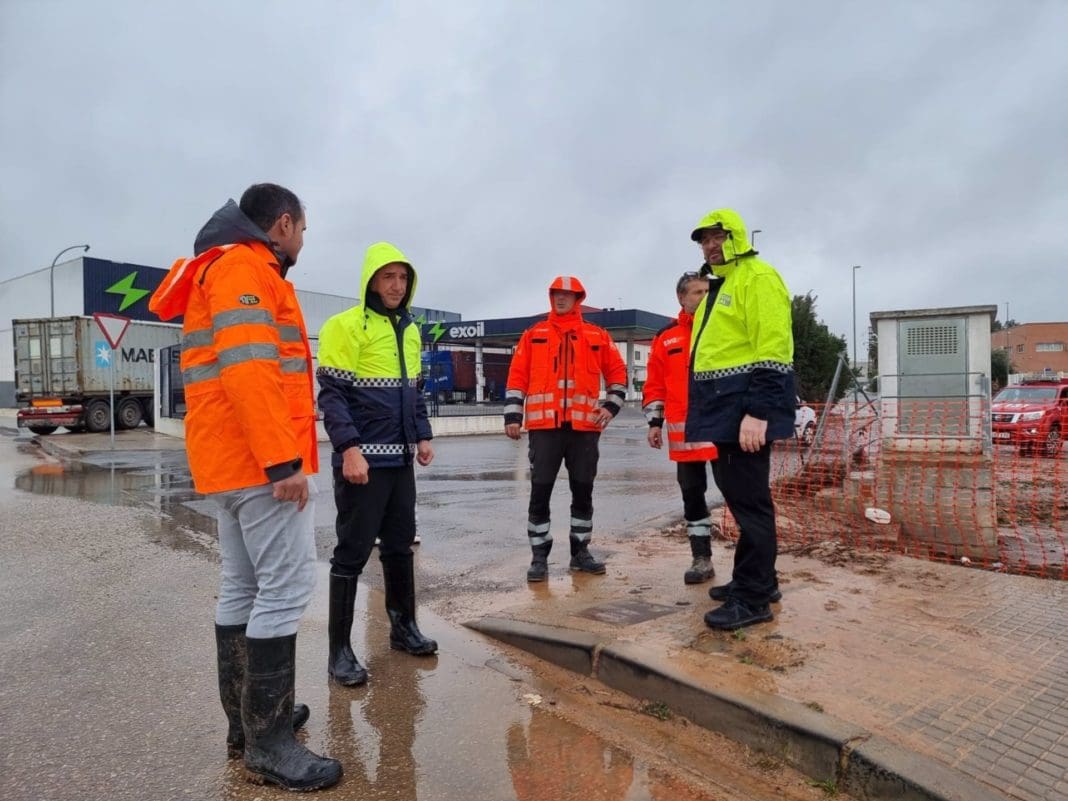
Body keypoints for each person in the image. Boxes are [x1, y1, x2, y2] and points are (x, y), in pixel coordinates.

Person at [149, 184, 341, 791]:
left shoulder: (221, 267)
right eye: (302, 229)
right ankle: (269, 743)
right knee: (284, 589)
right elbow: (251, 370)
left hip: (230, 460)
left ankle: (248, 723)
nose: (303, 239)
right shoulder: (245, 269)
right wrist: (283, 462)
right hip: (259, 462)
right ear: (282, 224)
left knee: (243, 586)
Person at [317, 242, 436, 689]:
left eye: (403, 278)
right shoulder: (345, 326)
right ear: (371, 281)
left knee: (400, 546)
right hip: (362, 461)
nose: (397, 285)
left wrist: (422, 434)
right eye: (388, 277)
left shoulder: (410, 330)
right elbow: (332, 396)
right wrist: (349, 449)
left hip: (400, 460)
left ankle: (404, 629)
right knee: (351, 553)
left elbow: (414, 390)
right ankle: (339, 652)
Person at [686, 208, 794, 631]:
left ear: (736, 236)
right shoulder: (723, 284)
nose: (710, 246)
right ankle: (759, 581)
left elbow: (774, 349)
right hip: (726, 410)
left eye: (717, 236)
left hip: (742, 412)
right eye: (704, 240)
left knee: (750, 506)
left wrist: (757, 412)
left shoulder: (757, 278)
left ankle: (752, 600)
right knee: (744, 501)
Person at [504, 276, 627, 581]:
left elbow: (618, 373)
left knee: (583, 492)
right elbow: (517, 377)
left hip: (585, 429)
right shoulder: (534, 335)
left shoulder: (597, 335)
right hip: (545, 429)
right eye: (557, 294)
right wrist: (512, 416)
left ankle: (580, 553)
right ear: (551, 297)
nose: (561, 299)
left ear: (577, 299)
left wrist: (611, 407)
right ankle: (539, 558)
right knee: (540, 492)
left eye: (567, 295)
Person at [642, 272, 720, 584]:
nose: (703, 297)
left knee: (736, 493)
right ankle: (702, 559)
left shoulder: (721, 326)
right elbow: (655, 384)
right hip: (685, 435)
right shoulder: (666, 337)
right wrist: (654, 422)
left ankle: (751, 568)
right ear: (681, 298)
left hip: (722, 429)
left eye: (706, 291)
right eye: (697, 292)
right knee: (692, 495)